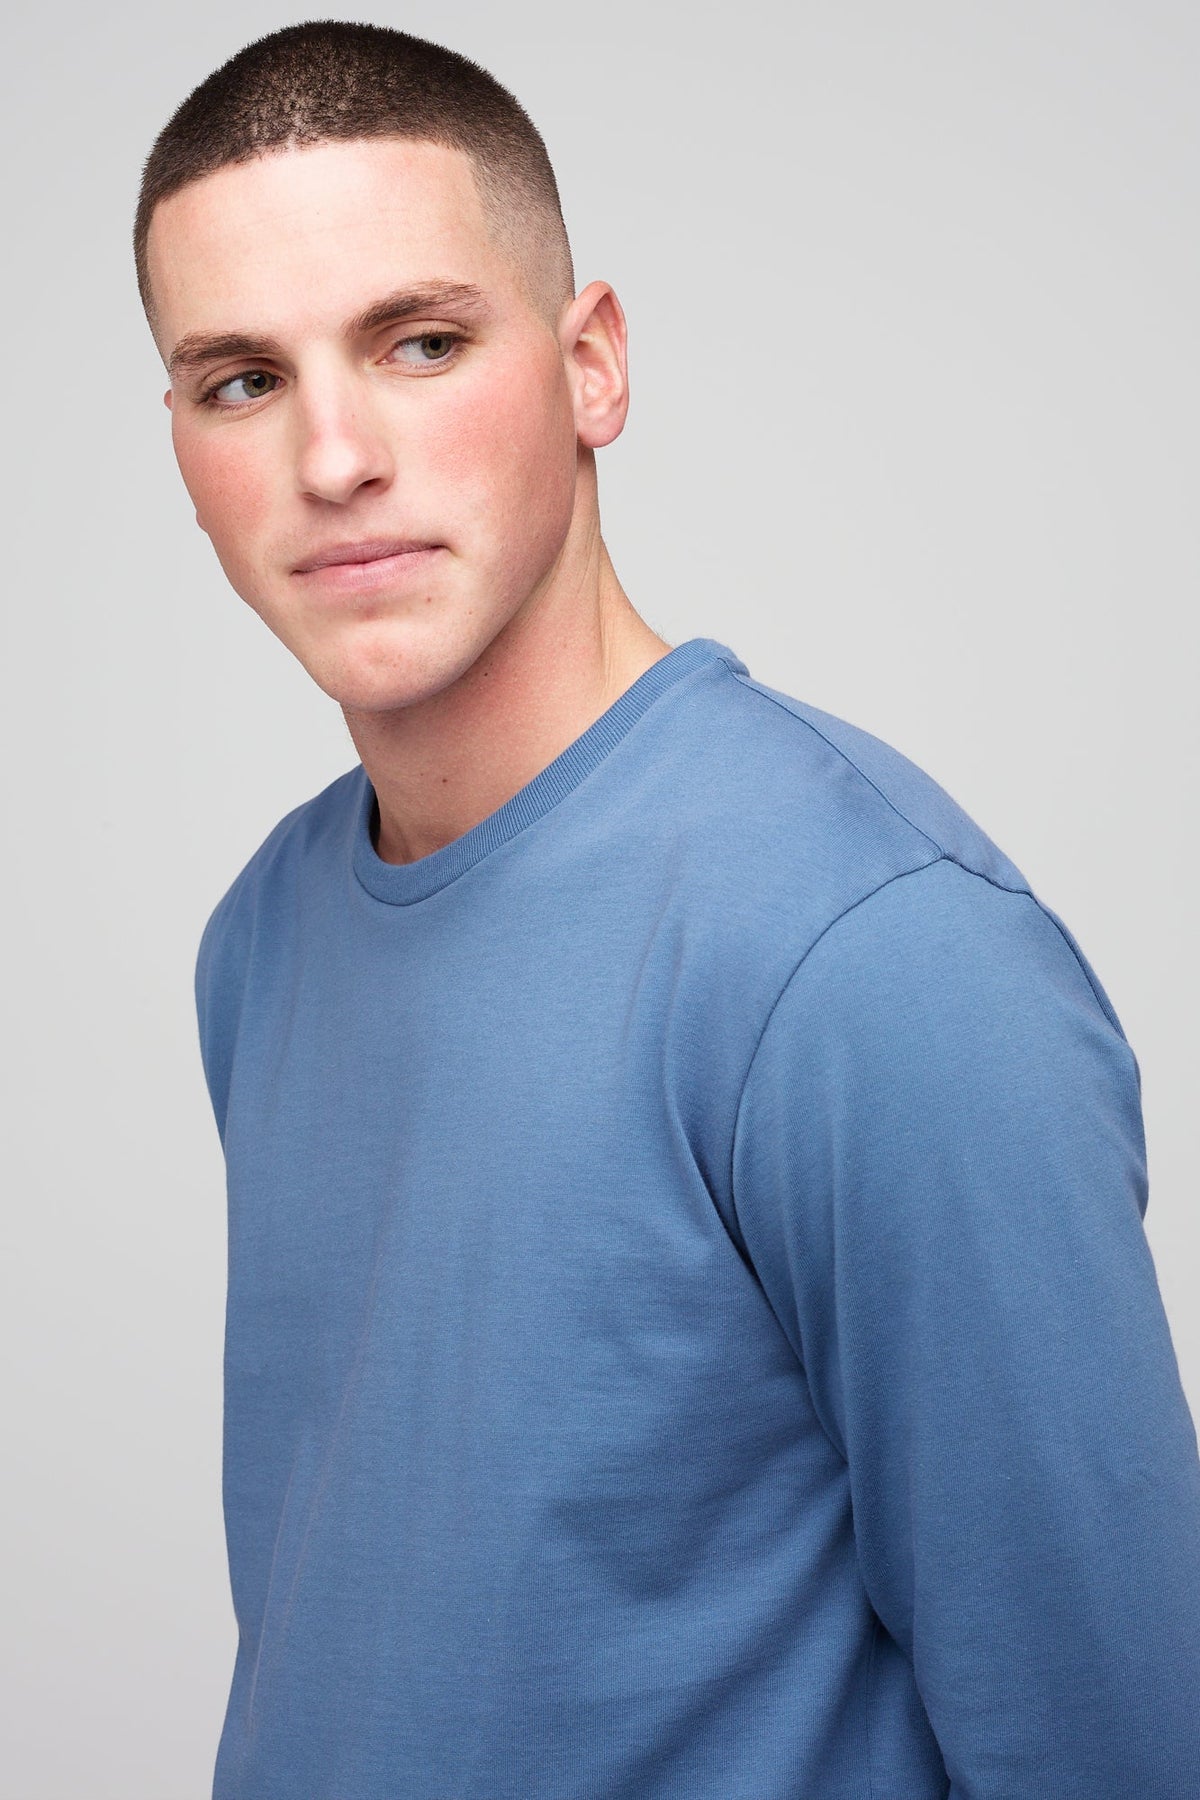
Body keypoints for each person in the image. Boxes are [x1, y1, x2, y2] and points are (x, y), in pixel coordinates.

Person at [136, 21, 1200, 1799]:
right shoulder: (262, 940)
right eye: (241, 379)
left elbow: (1121, 1739)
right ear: (178, 438)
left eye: (421, 343)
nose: (333, 457)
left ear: (592, 365)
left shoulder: (873, 959)